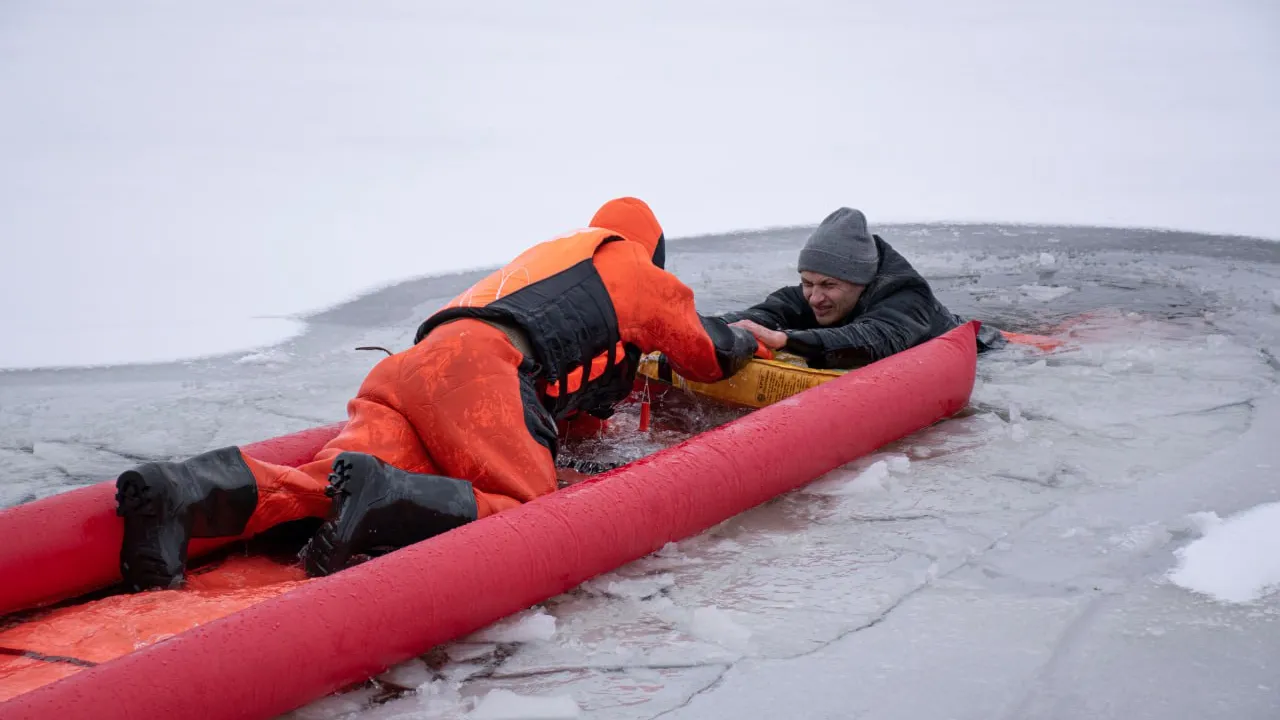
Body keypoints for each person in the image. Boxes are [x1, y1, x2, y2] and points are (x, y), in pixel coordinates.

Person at [114, 197, 759, 591]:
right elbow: (705, 353)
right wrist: (752, 340)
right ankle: (387, 498)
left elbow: (563, 380)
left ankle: (187, 489)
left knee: (323, 480)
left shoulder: (551, 261)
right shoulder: (636, 269)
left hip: (411, 368)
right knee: (529, 511)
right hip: (479, 377)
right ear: (652, 252)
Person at [718, 207, 1006, 369]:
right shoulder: (815, 295)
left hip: (990, 356)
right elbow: (768, 313)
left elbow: (872, 340)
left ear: (862, 281)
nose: (815, 298)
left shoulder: (907, 298)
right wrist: (712, 328)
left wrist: (785, 339)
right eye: (807, 283)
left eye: (829, 285)